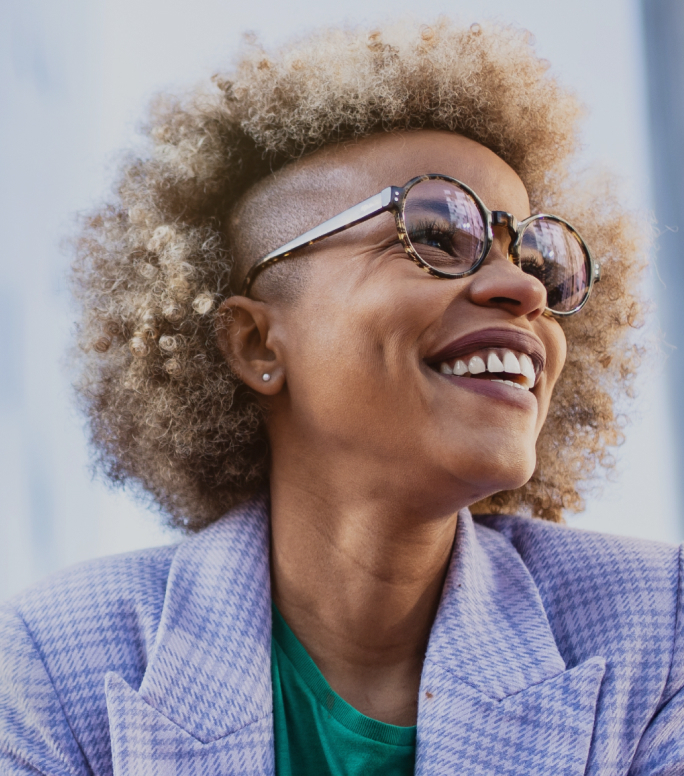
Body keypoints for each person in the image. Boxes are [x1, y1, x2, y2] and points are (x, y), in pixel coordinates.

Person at [0, 18, 680, 776]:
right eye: (436, 230)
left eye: (540, 256)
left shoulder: (659, 633)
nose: (524, 290)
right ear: (257, 344)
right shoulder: (52, 670)